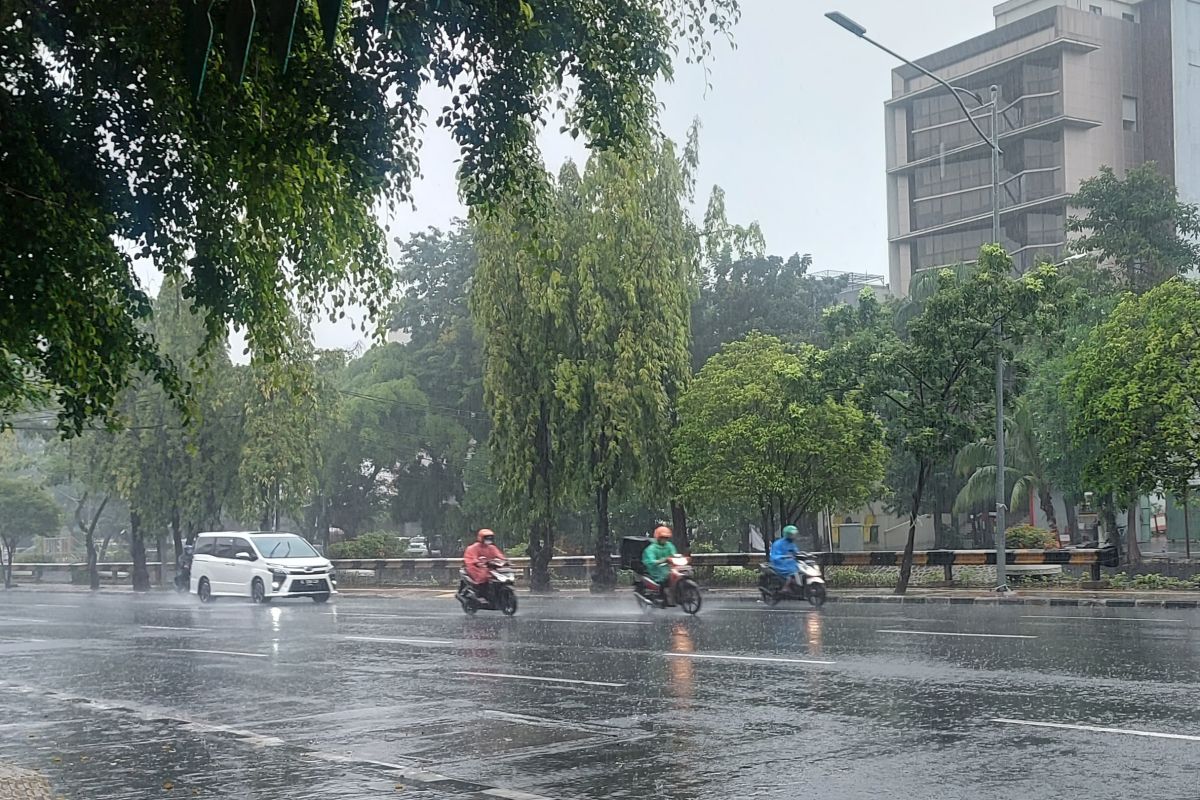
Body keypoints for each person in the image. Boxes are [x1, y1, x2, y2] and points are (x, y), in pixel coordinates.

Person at [642, 525, 678, 594]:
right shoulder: (651, 549)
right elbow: (651, 562)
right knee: (665, 576)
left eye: (666, 537)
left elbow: (674, 554)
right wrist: (662, 560)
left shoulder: (670, 545)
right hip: (656, 570)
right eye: (662, 537)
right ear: (658, 537)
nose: (664, 539)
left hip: (669, 568)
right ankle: (662, 593)